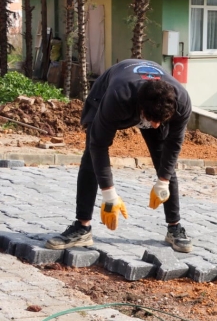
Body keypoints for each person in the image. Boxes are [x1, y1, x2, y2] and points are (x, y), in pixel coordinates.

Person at [45, 59, 193, 253]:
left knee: (164, 159)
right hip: (110, 90)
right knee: (90, 156)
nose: (155, 126)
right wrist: (109, 194)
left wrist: (163, 181)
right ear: (140, 109)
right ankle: (82, 227)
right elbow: (99, 146)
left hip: (151, 103)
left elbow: (173, 146)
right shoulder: (118, 97)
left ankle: (174, 227)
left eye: (160, 121)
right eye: (151, 120)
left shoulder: (181, 101)